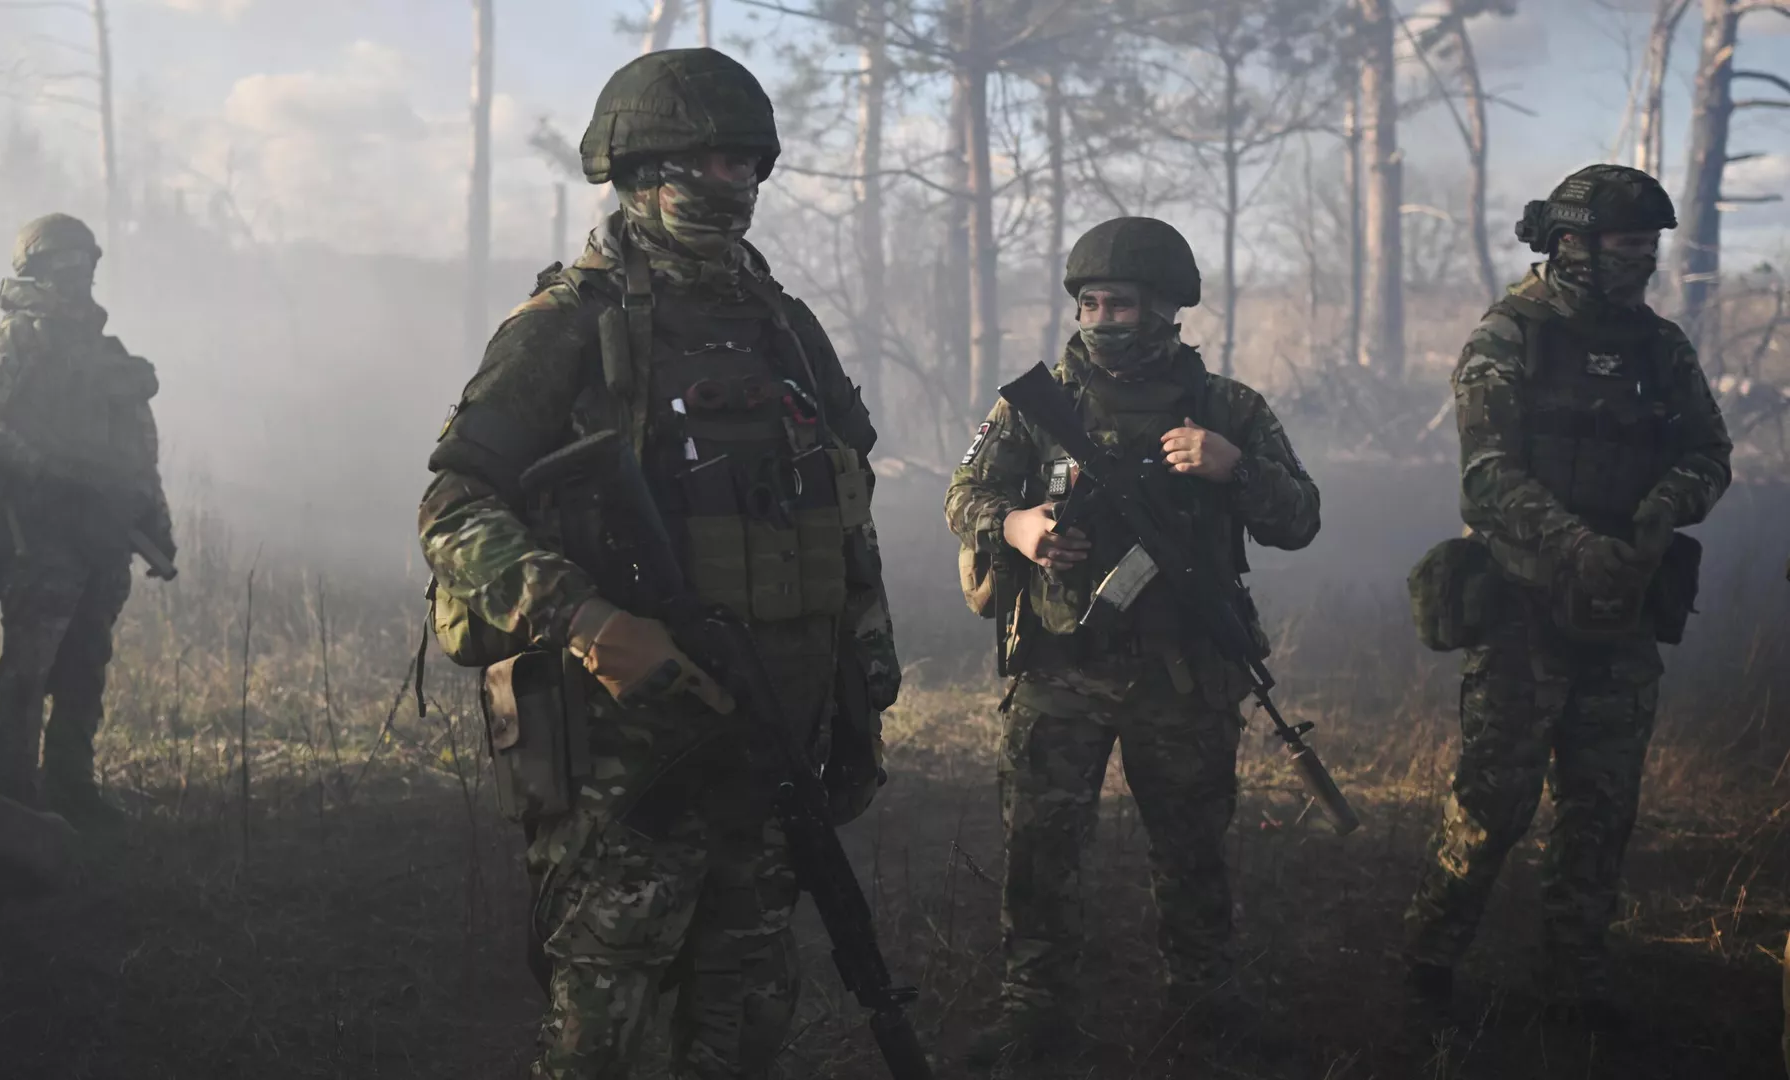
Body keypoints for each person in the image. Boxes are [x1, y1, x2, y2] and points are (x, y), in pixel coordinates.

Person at [417, 48, 898, 1079]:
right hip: (633, 757)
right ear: (639, 172)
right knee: (606, 1023)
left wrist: (863, 685)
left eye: (747, 164)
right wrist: (589, 623)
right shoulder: (566, 327)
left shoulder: (787, 331)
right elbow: (453, 511)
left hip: (775, 734)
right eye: (709, 163)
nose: (735, 184)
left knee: (747, 1010)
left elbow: (843, 512)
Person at [945, 216, 1320, 1065]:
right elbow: (964, 493)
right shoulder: (1035, 406)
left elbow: (1301, 518)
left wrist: (1236, 467)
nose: (1103, 319)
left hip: (1184, 677)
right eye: (1090, 304)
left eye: (1121, 303)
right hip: (1060, 669)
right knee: (1040, 846)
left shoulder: (1228, 409)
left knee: (1192, 849)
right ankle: (1033, 1008)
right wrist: (1019, 527)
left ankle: (1204, 998)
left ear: (1165, 308)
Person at [1402, 165, 1732, 1027]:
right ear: (1572, 244)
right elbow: (1487, 478)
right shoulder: (1509, 336)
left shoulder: (1661, 348)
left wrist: (1662, 509)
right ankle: (1430, 954)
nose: (1642, 259)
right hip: (1525, 608)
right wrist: (1576, 545)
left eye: (1650, 246)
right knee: (1491, 806)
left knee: (1601, 810)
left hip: (1623, 612)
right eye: (1627, 244)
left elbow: (1709, 453)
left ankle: (1573, 980)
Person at [0, 213, 174, 828]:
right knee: (29, 666)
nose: (78, 278)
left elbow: (140, 448)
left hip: (102, 534)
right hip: (42, 530)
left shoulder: (107, 356)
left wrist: (156, 519)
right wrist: (38, 465)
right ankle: (13, 796)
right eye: (65, 265)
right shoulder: (13, 340)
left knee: (85, 664)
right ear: (37, 269)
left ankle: (72, 788)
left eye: (85, 266)